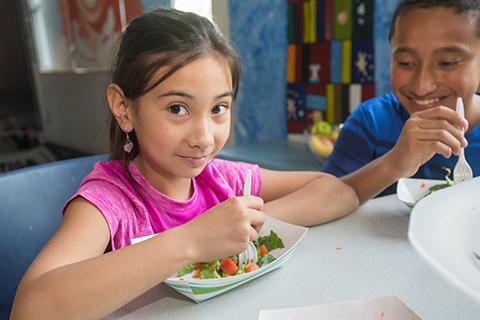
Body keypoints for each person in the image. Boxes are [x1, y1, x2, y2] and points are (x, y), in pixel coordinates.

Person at [11, 8, 359, 319]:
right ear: (124, 108)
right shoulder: (110, 201)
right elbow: (30, 309)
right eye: (178, 108)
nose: (204, 138)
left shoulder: (220, 178)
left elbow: (336, 191)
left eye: (218, 108)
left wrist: (247, 226)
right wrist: (192, 241)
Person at [323, 0, 476, 199]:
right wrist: (392, 164)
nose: (422, 87)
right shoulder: (370, 122)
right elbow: (320, 199)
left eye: (447, 63)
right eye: (406, 63)